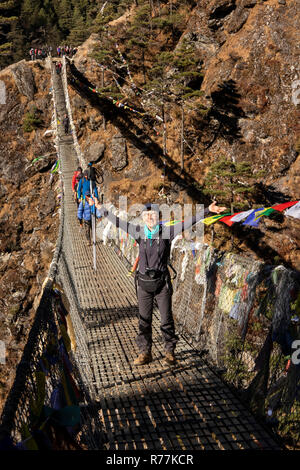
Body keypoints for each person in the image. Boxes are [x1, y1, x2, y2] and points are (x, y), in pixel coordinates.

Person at [93, 200, 227, 366]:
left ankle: (170, 352)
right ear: (143, 217)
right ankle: (145, 353)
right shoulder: (138, 232)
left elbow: (189, 222)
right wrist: (100, 208)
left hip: (162, 284)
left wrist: (208, 209)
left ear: (158, 216)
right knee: (144, 319)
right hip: (143, 284)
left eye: (153, 214)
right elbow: (117, 222)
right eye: (147, 214)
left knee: (166, 319)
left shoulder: (167, 232)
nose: (150, 217)